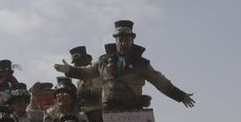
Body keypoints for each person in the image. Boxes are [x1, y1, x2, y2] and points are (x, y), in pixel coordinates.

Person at [54, 20, 195, 111]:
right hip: (109, 111)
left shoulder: (141, 64)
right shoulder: (104, 61)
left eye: (126, 40)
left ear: (132, 41)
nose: (123, 43)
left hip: (134, 110)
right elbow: (87, 72)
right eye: (120, 39)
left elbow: (160, 81)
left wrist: (180, 96)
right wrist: (69, 70)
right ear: (115, 41)